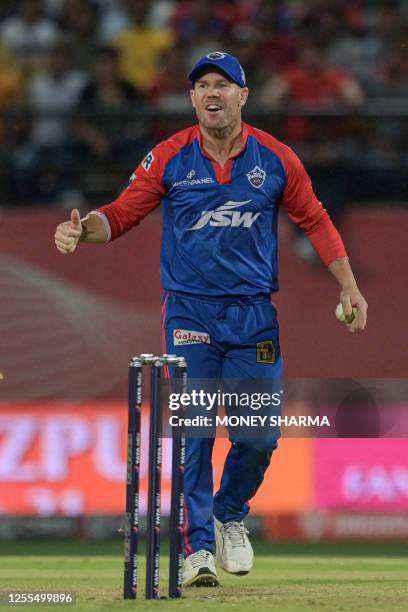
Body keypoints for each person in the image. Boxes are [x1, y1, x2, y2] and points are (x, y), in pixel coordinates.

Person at [54, 51, 368, 587]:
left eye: (223, 84)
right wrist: (84, 230)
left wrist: (349, 284)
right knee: (194, 433)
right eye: (202, 85)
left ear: (243, 96)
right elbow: (123, 213)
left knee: (260, 437)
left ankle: (228, 515)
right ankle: (198, 547)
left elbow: (313, 217)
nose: (212, 93)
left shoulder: (275, 158)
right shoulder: (171, 156)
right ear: (193, 98)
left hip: (253, 318)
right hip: (189, 313)